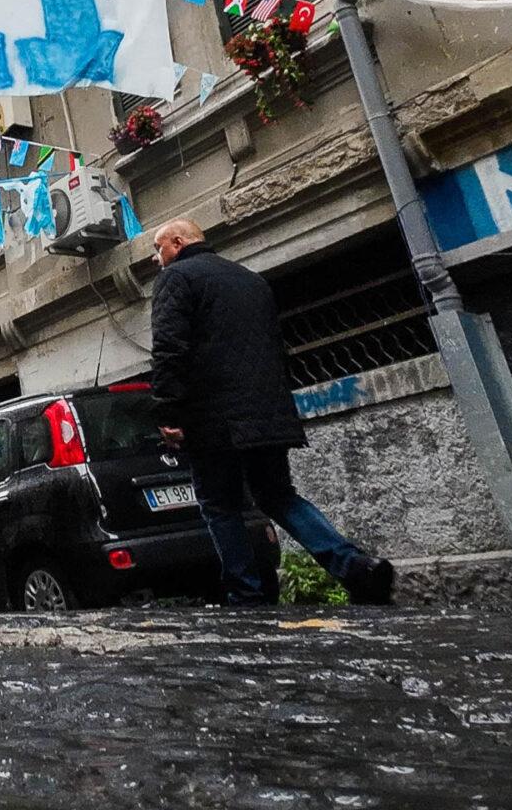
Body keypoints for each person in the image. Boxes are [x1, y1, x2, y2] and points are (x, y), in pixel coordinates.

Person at [145, 218, 395, 606]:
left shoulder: (177, 279)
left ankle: (247, 594)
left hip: (214, 418)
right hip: (266, 412)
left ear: (177, 243)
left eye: (158, 250)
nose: (156, 260)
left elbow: (170, 349)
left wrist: (167, 411)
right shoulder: (251, 280)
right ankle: (354, 566)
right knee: (278, 495)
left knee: (219, 504)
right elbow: (276, 348)